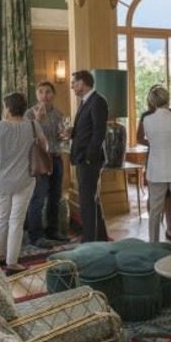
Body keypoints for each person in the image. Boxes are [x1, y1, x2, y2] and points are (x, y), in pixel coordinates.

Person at [0, 92, 47, 274]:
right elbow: (44, 148)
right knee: (16, 220)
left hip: (0, 181)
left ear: (8, 108)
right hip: (24, 179)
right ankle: (12, 263)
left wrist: (0, 170)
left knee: (3, 217)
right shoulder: (33, 125)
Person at [142, 86, 171, 250]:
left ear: (152, 102)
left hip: (156, 170)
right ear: (168, 99)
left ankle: (153, 245)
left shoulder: (147, 120)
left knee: (155, 211)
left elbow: (150, 141)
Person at [24, 81, 68, 248]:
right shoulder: (29, 114)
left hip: (56, 159)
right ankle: (35, 236)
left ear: (53, 95)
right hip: (40, 161)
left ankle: (52, 230)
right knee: (38, 198)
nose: (44, 95)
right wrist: (37, 120)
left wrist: (64, 135)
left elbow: (61, 138)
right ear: (37, 95)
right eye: (41, 92)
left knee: (55, 197)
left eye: (48, 92)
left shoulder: (58, 114)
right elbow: (27, 138)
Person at [69, 70, 109, 242]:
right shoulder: (86, 101)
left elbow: (99, 132)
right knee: (91, 198)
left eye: (73, 83)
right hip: (82, 156)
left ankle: (89, 240)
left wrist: (88, 157)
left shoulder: (97, 101)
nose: (72, 86)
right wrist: (72, 132)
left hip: (89, 159)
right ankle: (100, 237)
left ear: (82, 83)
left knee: (86, 200)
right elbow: (86, 129)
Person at [136, 86, 171, 242]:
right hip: (153, 157)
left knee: (169, 195)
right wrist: (153, 143)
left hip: (170, 157)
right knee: (153, 194)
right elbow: (139, 138)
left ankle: (169, 228)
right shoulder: (146, 115)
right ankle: (153, 228)